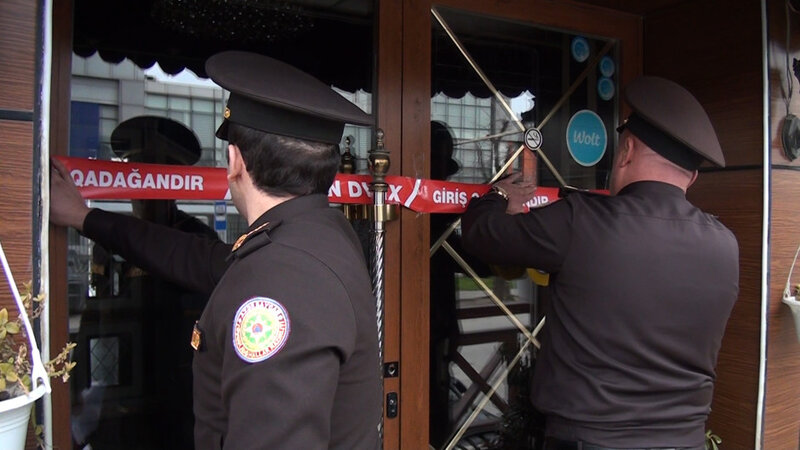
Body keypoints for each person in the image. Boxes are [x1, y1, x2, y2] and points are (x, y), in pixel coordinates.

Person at [52, 50, 381, 449]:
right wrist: (85, 217)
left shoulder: (281, 277)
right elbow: (191, 256)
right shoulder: (313, 235)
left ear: (234, 160)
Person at [460, 76, 739, 450]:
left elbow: (483, 235)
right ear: (692, 177)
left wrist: (497, 194)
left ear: (626, 150)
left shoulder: (583, 221)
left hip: (591, 440)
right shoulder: (725, 246)